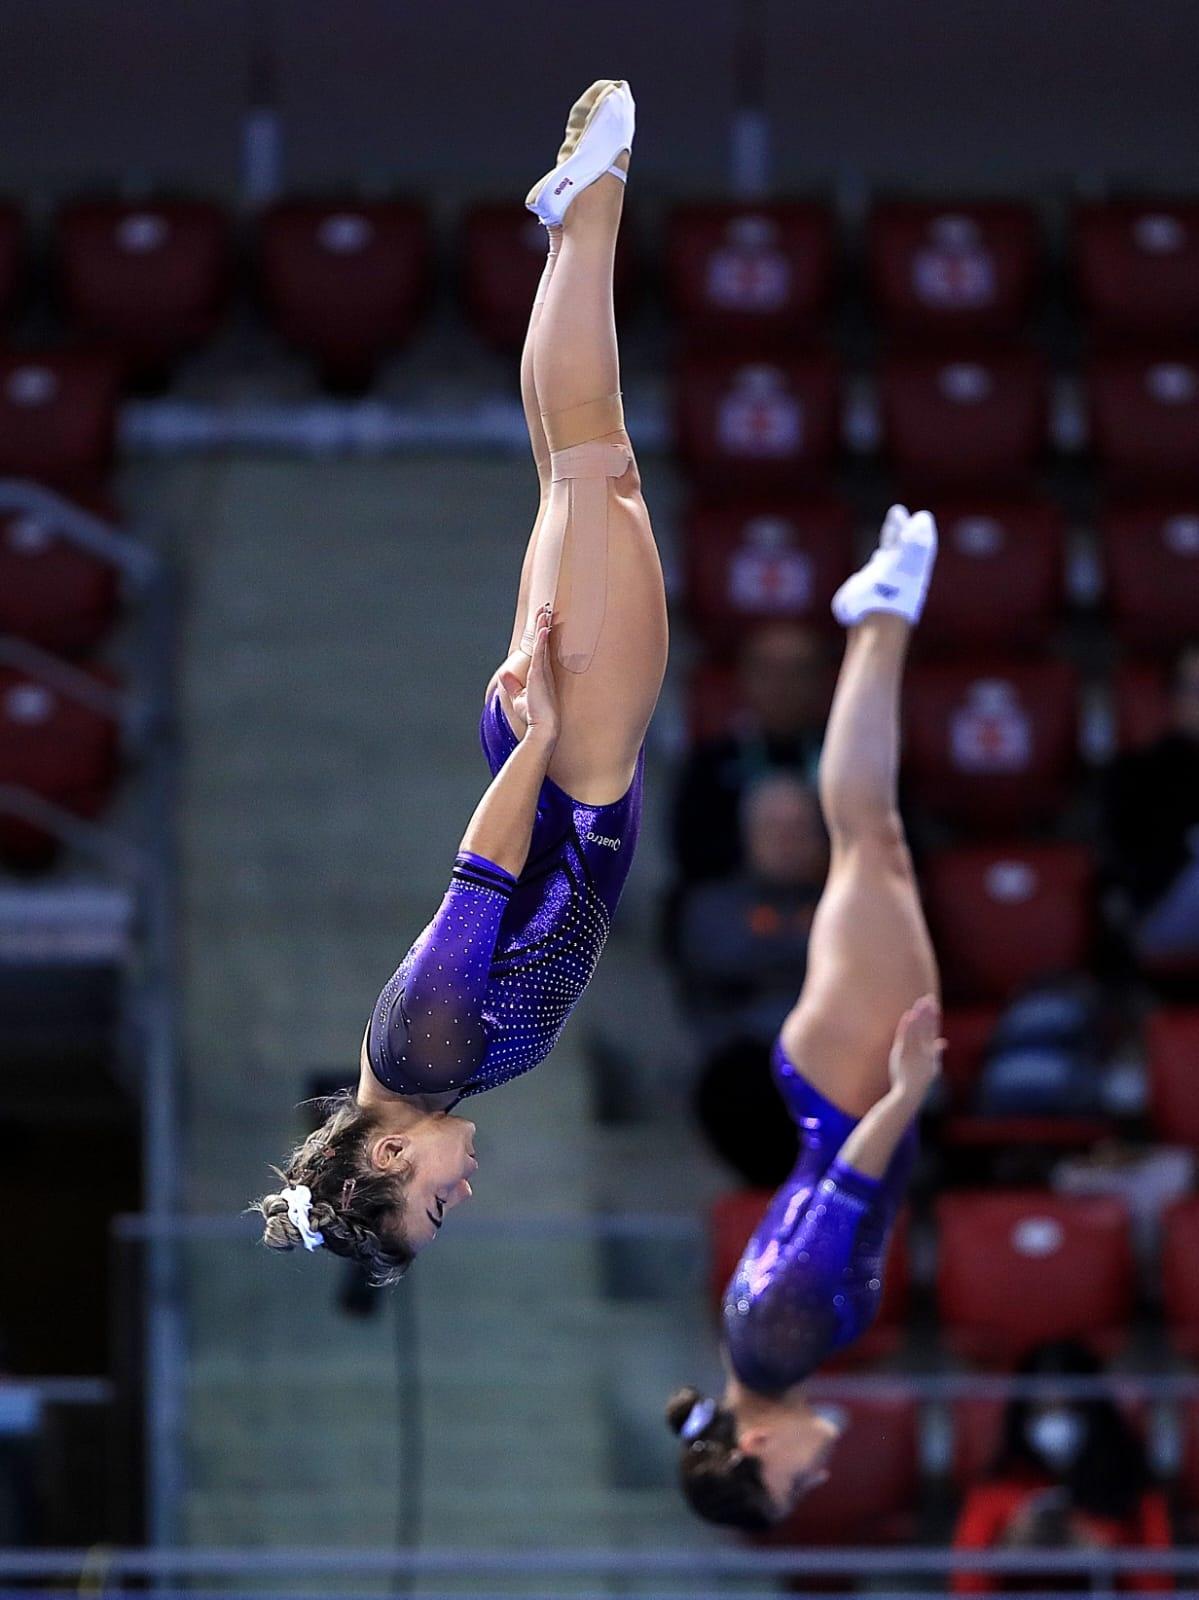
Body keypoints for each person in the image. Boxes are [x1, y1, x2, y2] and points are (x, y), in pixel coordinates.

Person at [254, 80, 667, 1282]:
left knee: (593, 452)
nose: (458, 1193)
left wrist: (539, 738)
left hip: (570, 759)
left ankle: (591, 204)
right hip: (556, 765)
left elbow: (474, 883)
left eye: (435, 1207)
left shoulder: (421, 1052)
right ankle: (572, 218)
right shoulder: (420, 1064)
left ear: (384, 1161)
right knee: (580, 465)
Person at [665, 504, 943, 1529]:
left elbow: (835, 1196)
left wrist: (905, 1094)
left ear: (752, 1448)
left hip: (842, 1098)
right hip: (843, 1092)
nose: (812, 1479)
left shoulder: (772, 1345)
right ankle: (880, 618)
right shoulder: (760, 1348)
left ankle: (880, 616)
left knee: (865, 841)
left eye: (788, 1485)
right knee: (876, 844)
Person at [676, 774, 827, 1187]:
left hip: (836, 1060)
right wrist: (812, 953)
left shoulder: (845, 899)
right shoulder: (711, 905)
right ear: (748, 835)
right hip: (749, 1070)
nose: (787, 841)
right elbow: (723, 959)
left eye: (798, 828)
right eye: (773, 829)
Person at [951, 1340, 1172, 1594]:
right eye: (1043, 1410)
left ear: (1095, 1412)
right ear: (1022, 1416)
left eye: (1069, 1409)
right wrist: (1003, 1556)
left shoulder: (1135, 1491)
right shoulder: (993, 1493)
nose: (1056, 1423)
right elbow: (963, 1590)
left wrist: (1108, 1557)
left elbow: (1161, 1589)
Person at [669, 622, 829, 885]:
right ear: (744, 678)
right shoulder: (708, 765)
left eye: (798, 671)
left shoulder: (852, 762)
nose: (783, 686)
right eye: (769, 671)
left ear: (821, 680)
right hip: (731, 904)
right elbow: (689, 853)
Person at [1105, 641, 1199, 973]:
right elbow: (1124, 870)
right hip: (1160, 917)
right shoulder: (1140, 775)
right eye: (1194, 690)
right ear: (1173, 699)